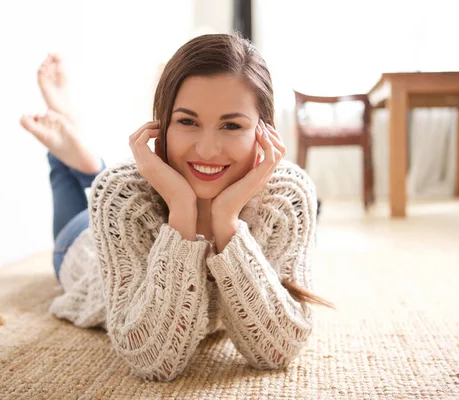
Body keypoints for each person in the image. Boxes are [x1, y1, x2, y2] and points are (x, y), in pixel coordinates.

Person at [20, 33, 333, 382]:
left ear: (265, 132)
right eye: (187, 121)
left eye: (231, 125)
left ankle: (81, 152)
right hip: (82, 243)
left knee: (97, 176)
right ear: (162, 123)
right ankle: (76, 154)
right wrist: (182, 212)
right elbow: (153, 360)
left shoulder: (288, 194)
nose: (209, 150)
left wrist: (227, 221)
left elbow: (277, 350)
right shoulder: (120, 194)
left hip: (123, 200)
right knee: (86, 186)